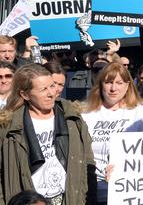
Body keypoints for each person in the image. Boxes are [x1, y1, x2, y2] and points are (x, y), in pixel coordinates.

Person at [0, 64, 96, 204]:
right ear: (25, 94)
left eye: (52, 86)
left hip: (71, 199)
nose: (52, 93)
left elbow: (88, 162)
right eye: (43, 89)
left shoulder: (72, 118)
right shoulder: (8, 126)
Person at [81, 62, 143, 205]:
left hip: (130, 192)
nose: (113, 88)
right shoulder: (85, 113)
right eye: (108, 82)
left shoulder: (140, 112)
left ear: (128, 85)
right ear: (100, 84)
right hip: (93, 192)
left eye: (119, 82)